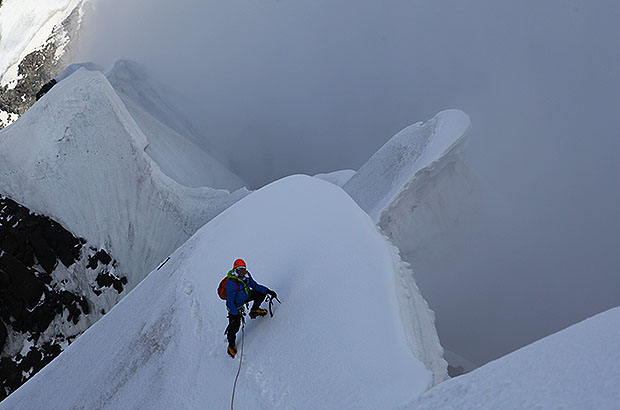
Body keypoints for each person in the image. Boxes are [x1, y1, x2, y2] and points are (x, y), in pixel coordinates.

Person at [225, 258, 277, 358]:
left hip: (245, 296)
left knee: (260, 293)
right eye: (240, 269)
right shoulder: (231, 283)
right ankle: (231, 344)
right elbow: (229, 302)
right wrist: (235, 314)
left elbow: (255, 286)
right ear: (235, 270)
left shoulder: (247, 277)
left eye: (244, 269)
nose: (242, 271)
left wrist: (268, 291)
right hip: (235, 306)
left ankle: (254, 310)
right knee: (234, 326)